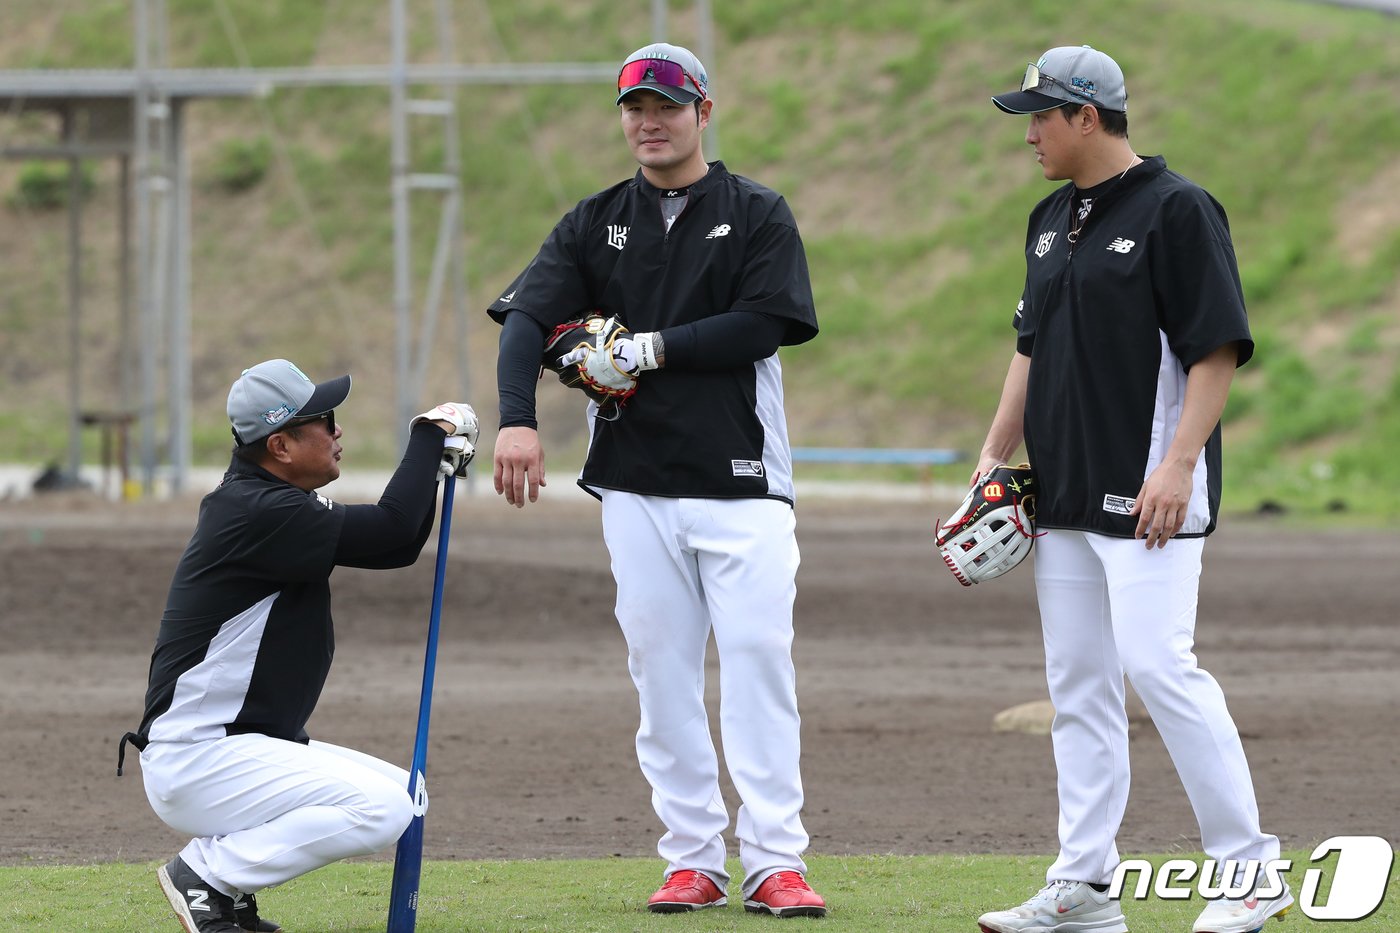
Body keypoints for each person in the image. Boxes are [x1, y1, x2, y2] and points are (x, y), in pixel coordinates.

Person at [487, 42, 826, 918]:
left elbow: (769, 321)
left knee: (757, 662)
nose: (649, 120)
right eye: (635, 106)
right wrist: (518, 417)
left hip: (742, 478)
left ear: (702, 111)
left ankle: (775, 859)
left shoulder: (755, 210)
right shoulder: (595, 217)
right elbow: (528, 314)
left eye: (667, 105)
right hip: (634, 482)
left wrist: (647, 347)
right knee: (662, 672)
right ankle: (693, 858)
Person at [970, 46, 1290, 933]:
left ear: (1086, 116)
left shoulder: (1178, 209)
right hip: (1064, 489)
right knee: (1079, 684)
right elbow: (1029, 347)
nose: (1028, 131)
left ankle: (1249, 868)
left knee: (1159, 664)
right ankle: (1085, 884)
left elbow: (1214, 348)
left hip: (1148, 488)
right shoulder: (1047, 217)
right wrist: (996, 453)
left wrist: (1181, 462)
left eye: (1040, 115)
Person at [116, 359, 477, 933]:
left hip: (233, 749)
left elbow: (398, 545)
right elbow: (390, 532)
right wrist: (427, 434)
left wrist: (432, 465)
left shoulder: (263, 502)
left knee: (406, 794)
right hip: (201, 757)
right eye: (325, 421)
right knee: (383, 809)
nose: (337, 432)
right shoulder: (259, 511)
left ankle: (230, 899)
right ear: (281, 445)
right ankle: (208, 876)